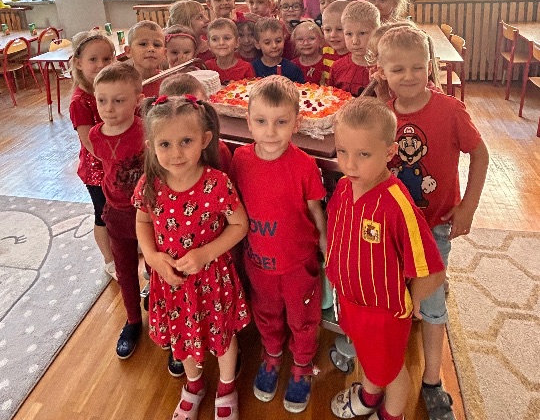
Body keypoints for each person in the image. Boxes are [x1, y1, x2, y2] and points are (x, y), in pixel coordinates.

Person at [377, 25, 489, 420]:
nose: (409, 76)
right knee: (394, 296)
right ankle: (386, 365)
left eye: (417, 67)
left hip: (436, 225)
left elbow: (481, 154)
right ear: (382, 71)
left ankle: (431, 380)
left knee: (434, 304)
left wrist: (468, 206)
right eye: (397, 69)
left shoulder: (450, 110)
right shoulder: (381, 114)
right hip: (393, 228)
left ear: (430, 66)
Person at [326, 97, 446, 420]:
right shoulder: (343, 188)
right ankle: (368, 395)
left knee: (392, 372)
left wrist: (407, 304)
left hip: (384, 314)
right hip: (351, 301)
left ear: (390, 152)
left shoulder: (397, 205)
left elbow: (433, 271)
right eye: (342, 152)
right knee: (369, 358)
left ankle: (392, 415)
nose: (350, 164)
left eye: (363, 154)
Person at [133, 95, 250, 420]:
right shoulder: (151, 184)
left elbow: (240, 225)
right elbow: (142, 221)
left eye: (186, 141)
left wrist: (206, 253)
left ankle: (227, 387)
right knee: (181, 337)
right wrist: (152, 257)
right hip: (171, 283)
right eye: (165, 144)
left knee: (223, 336)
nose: (176, 153)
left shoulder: (217, 184)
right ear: (151, 146)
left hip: (213, 280)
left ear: (205, 139)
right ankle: (194, 384)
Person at [229, 76, 327, 413]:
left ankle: (302, 364)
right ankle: (271, 354)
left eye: (281, 122)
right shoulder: (240, 160)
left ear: (296, 123)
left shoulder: (305, 165)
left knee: (304, 318)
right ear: (248, 122)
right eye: (261, 121)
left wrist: (327, 249)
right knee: (266, 314)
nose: (270, 131)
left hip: (299, 264)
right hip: (258, 263)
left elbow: (316, 211)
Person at [88, 63, 150, 362]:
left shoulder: (145, 130)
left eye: (118, 100)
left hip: (148, 214)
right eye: (102, 100)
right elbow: (106, 170)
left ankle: (164, 316)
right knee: (125, 270)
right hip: (116, 213)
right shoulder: (96, 135)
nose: (109, 108)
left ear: (137, 100)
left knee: (156, 267)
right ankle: (133, 320)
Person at [69, 29, 116, 278]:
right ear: (79, 63)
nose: (100, 65)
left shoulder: (110, 89)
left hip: (118, 164)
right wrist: (115, 159)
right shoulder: (80, 100)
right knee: (103, 215)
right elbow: (89, 142)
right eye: (93, 59)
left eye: (106, 59)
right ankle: (109, 260)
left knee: (120, 210)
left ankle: (125, 245)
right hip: (97, 170)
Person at [159, 73, 233, 173]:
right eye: (165, 144)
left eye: (194, 108)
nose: (176, 154)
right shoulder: (159, 155)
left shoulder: (220, 151)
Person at [328, 0, 380, 96]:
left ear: (376, 32)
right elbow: (330, 99)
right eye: (349, 34)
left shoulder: (386, 68)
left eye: (362, 33)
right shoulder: (337, 67)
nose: (355, 41)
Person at [205, 17, 256, 85]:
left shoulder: (246, 68)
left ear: (237, 42)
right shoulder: (207, 67)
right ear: (208, 44)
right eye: (215, 39)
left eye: (227, 38)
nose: (221, 43)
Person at [251, 17, 305, 82]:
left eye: (278, 41)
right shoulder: (252, 68)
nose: (274, 46)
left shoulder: (292, 69)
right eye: (267, 43)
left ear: (284, 39)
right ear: (257, 44)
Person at [124, 20, 167, 97]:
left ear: (164, 53)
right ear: (129, 51)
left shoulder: (168, 82)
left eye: (157, 45)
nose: (151, 49)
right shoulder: (121, 83)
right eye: (143, 44)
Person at [320, 0, 350, 85]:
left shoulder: (356, 55)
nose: (333, 35)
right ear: (322, 30)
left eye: (339, 29)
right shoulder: (325, 49)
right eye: (328, 30)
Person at [290, 20, 325, 84]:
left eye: (312, 39)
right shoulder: (291, 65)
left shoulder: (327, 63)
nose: (306, 43)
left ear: (321, 41)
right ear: (294, 43)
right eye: (300, 39)